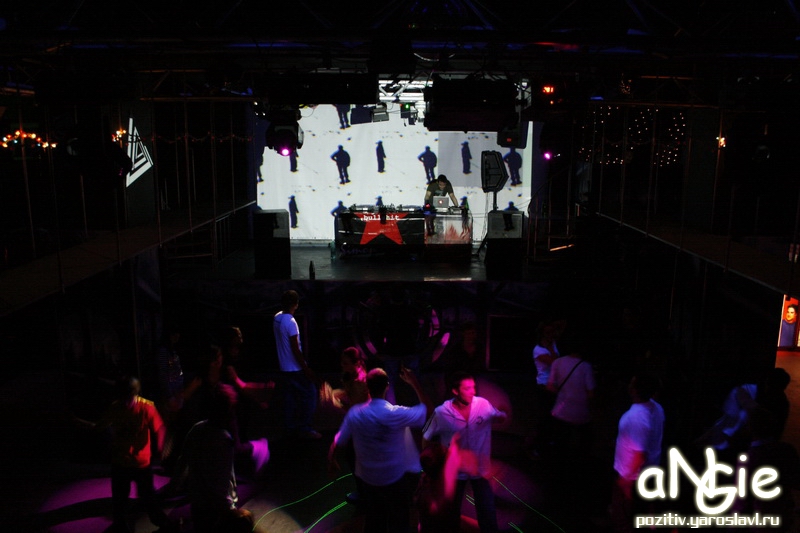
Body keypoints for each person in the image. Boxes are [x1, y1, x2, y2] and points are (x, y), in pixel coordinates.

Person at [329, 367, 432, 533]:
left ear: (368, 387)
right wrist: (414, 383)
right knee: (399, 522)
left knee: (374, 522)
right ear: (387, 386)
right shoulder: (396, 413)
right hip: (394, 479)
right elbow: (428, 411)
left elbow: (339, 439)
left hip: (368, 480)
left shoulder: (355, 413)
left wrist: (332, 458)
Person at [76, 376, 172, 533]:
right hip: (121, 462)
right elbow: (99, 426)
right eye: (123, 398)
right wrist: (80, 423)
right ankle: (121, 527)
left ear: (135, 393)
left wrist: (162, 447)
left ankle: (167, 526)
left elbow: (160, 428)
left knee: (149, 501)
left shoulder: (146, 407)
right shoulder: (116, 407)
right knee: (120, 504)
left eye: (129, 397)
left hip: (141, 464)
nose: (126, 402)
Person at [423, 371, 508, 533]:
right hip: (455, 471)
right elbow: (426, 435)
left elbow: (498, 415)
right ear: (455, 391)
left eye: (473, 387)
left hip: (480, 470)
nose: (473, 392)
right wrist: (428, 466)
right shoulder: (441, 412)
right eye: (467, 388)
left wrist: (502, 416)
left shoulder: (483, 405)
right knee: (451, 514)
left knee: (487, 513)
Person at [174, 384, 256, 533]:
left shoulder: (197, 428)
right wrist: (230, 511)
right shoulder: (223, 440)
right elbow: (220, 484)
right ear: (228, 412)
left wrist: (177, 484)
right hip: (217, 509)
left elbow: (183, 461)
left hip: (198, 502)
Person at [610, 374, 664, 533]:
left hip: (631, 474)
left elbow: (640, 453)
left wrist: (626, 480)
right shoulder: (657, 409)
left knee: (624, 516)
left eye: (632, 383)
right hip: (650, 469)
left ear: (634, 390)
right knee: (642, 509)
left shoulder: (636, 417)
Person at [273, 289, 320, 440]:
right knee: (310, 394)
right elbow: (295, 349)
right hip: (295, 368)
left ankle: (290, 430)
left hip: (284, 367)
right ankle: (305, 428)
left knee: (290, 399)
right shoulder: (291, 322)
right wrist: (306, 369)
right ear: (296, 304)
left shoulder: (277, 318)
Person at [546, 339, 595, 458]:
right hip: (580, 413)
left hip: (560, 410)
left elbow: (550, 386)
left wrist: (564, 393)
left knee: (561, 442)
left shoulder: (557, 362)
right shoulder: (586, 366)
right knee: (581, 443)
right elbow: (591, 393)